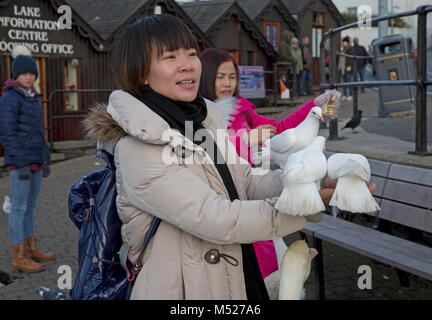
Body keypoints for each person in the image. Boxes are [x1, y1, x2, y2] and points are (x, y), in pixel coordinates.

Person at [83, 14, 335, 300]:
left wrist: (306, 181)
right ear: (141, 73)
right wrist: (302, 205)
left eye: (191, 53)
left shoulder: (203, 124)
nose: (187, 64)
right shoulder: (137, 148)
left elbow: (245, 181)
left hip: (235, 273)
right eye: (170, 57)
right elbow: (214, 217)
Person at [198, 48, 339, 281]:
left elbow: (281, 131)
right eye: (220, 76)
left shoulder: (243, 112)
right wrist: (247, 138)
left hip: (252, 197)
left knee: (265, 271)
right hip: (221, 208)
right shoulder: (197, 115)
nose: (227, 83)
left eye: (232, 76)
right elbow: (206, 149)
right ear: (206, 77)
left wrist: (314, 106)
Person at [0, 46, 54, 273]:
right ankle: (19, 257)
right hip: (20, 163)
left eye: (32, 73)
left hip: (36, 160)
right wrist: (19, 163)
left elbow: (38, 131)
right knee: (19, 208)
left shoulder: (33, 96)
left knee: (31, 207)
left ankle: (31, 248)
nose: (29, 77)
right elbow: (7, 133)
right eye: (24, 74)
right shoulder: (10, 97)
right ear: (16, 75)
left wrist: (45, 158)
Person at [338, 36, 354, 100]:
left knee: (349, 82)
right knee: (344, 83)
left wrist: (349, 66)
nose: (344, 43)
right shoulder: (342, 49)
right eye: (343, 42)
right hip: (342, 68)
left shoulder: (350, 49)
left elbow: (352, 59)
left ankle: (350, 95)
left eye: (345, 42)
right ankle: (344, 95)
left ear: (347, 43)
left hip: (348, 68)